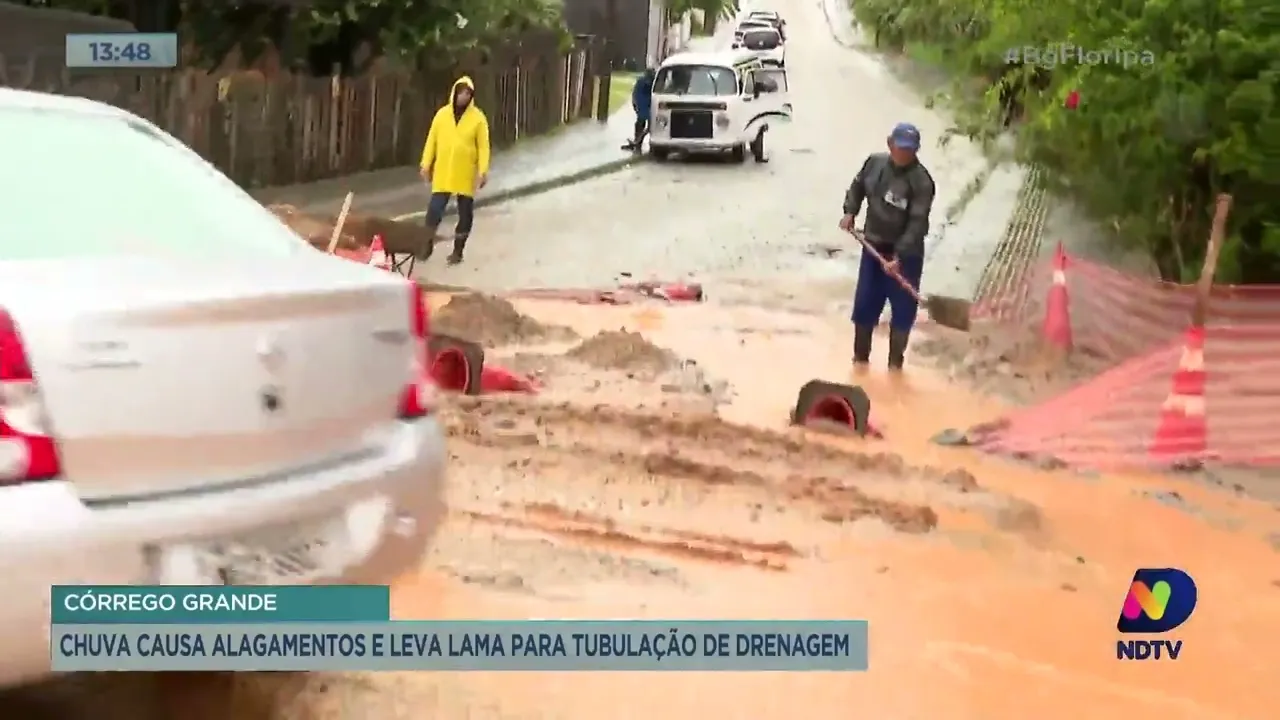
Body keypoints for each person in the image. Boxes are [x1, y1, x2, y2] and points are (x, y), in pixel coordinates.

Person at [839, 122, 936, 370]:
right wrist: (850, 211)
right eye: (901, 148)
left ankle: (895, 366)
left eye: (910, 150)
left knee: (903, 311)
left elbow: (917, 224)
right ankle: (860, 362)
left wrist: (899, 257)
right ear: (890, 144)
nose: (905, 154)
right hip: (873, 248)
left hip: (905, 256)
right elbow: (857, 187)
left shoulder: (922, 182)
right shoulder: (874, 163)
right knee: (864, 305)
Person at [420, 76, 491, 266]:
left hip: (465, 173)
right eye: (461, 93)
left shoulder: (478, 118)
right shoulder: (442, 115)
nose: (464, 97)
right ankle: (426, 244)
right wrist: (426, 164)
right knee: (434, 210)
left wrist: (482, 171)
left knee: (465, 214)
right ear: (455, 92)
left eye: (468, 94)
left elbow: (483, 147)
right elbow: (432, 140)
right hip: (444, 171)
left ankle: (458, 250)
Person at [625, 66, 656, 152]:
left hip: (643, 106)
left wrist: (634, 103)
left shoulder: (641, 81)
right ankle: (638, 141)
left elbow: (635, 93)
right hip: (649, 106)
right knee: (648, 126)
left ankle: (638, 141)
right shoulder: (653, 81)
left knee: (641, 124)